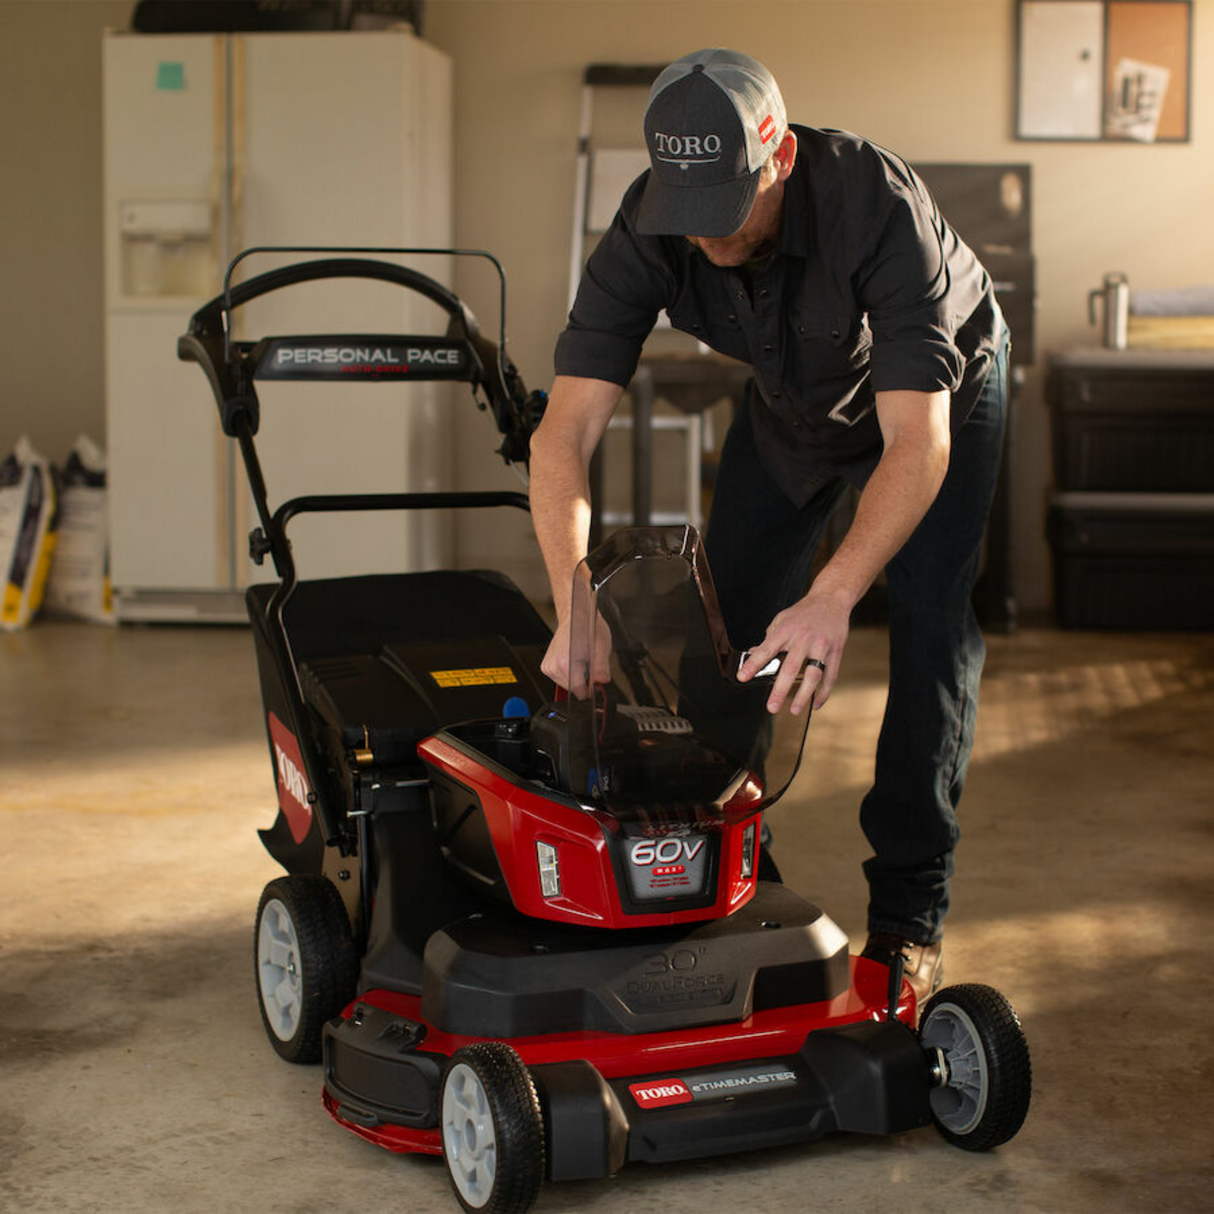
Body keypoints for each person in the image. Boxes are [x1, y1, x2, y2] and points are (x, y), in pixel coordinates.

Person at [528, 47, 1009, 1004]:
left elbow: (917, 444)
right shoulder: (649, 224)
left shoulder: (877, 209)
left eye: (724, 205)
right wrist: (572, 594)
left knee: (929, 633)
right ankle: (738, 871)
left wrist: (834, 594)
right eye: (686, 208)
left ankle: (908, 919)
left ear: (778, 155)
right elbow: (562, 434)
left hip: (933, 412)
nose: (702, 232)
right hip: (792, 408)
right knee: (727, 628)